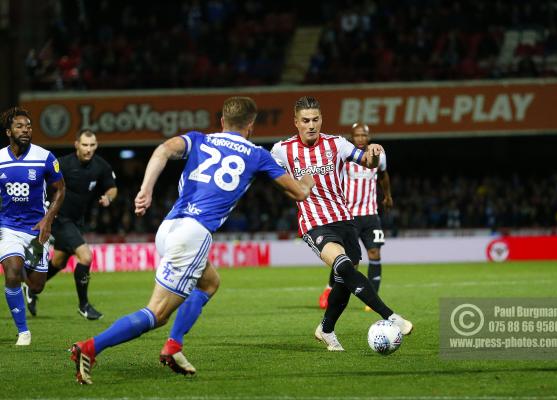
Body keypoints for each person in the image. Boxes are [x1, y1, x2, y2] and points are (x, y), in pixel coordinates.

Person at [70, 96, 314, 384]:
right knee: (156, 313)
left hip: (170, 226)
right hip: (194, 235)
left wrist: (146, 190)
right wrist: (307, 180)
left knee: (210, 282)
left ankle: (173, 346)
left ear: (222, 121)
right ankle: (89, 348)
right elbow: (298, 193)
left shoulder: (199, 139)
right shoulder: (257, 154)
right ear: (251, 125)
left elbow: (162, 150)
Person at [270, 96, 412, 351]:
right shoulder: (282, 149)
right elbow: (273, 179)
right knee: (344, 266)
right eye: (305, 121)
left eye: (315, 119)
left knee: (344, 279)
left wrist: (373, 153)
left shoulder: (337, 144)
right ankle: (391, 317)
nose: (311, 125)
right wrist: (297, 188)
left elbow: (367, 163)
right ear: (296, 122)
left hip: (345, 220)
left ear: (321, 119)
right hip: (314, 223)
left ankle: (326, 329)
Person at [23, 130, 117, 320]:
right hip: (59, 218)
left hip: (76, 220)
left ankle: (31, 287)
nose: (88, 149)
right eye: (84, 145)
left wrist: (108, 197)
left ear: (96, 145)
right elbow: (40, 182)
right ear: (76, 145)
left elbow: (112, 187)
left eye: (92, 145)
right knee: (86, 257)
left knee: (59, 261)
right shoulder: (63, 164)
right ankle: (84, 305)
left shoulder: (100, 166)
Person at [0, 107, 65, 345]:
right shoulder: (0, 160)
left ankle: (28, 277)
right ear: (9, 131)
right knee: (12, 272)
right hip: (7, 228)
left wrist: (48, 219)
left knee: (37, 286)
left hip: (37, 229)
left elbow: (60, 189)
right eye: (19, 126)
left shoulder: (45, 157)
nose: (25, 130)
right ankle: (23, 332)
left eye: (28, 126)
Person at [318, 122, 393, 311]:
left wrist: (388, 196)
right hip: (348, 215)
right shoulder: (346, 154)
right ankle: (329, 288)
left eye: (364, 135)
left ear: (368, 136)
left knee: (375, 253)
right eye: (357, 135)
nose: (361, 139)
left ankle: (372, 296)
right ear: (352, 137)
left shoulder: (378, 155)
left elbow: (383, 175)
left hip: (370, 215)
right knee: (346, 259)